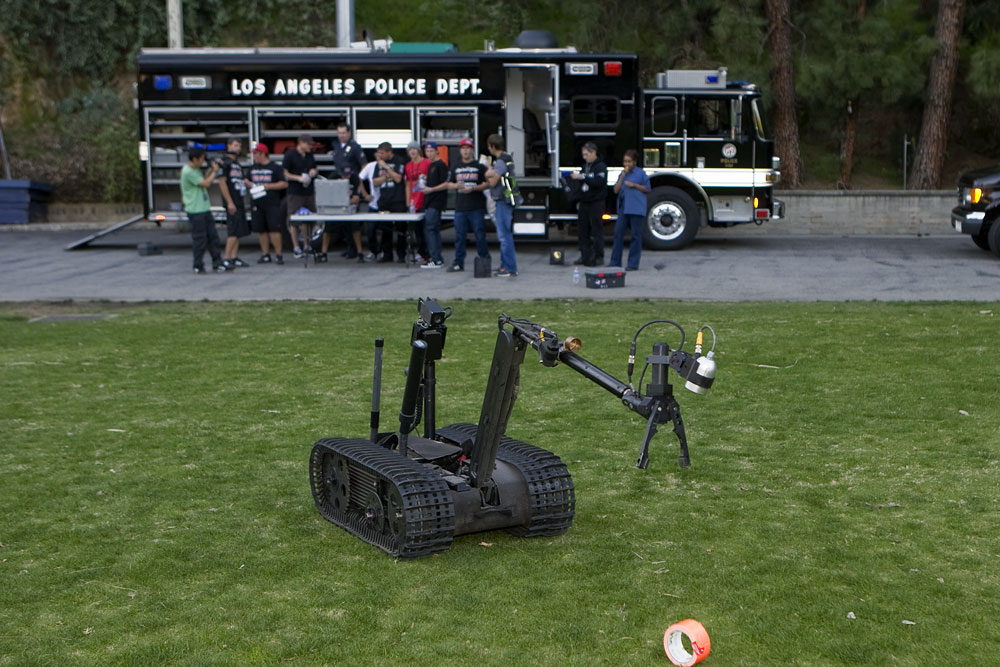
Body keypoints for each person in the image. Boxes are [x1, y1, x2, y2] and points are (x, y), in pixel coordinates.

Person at [446, 137, 490, 272]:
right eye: (463, 149)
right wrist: (456, 185)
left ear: (472, 150)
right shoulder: (456, 166)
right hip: (460, 207)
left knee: (480, 234)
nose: (465, 151)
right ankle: (458, 263)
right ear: (460, 151)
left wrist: (473, 188)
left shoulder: (479, 166)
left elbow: (488, 184)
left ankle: (484, 261)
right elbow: (449, 184)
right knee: (459, 236)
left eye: (468, 149)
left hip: (476, 206)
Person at [180, 147, 225, 274]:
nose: (203, 161)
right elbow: (205, 183)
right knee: (200, 239)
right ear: (194, 159)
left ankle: (217, 262)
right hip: (195, 210)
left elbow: (204, 178)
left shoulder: (195, 169)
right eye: (201, 159)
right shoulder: (188, 171)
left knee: (213, 237)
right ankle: (198, 264)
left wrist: (211, 168)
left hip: (204, 208)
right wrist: (215, 172)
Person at [329, 123, 367, 259]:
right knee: (343, 221)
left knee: (353, 222)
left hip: (352, 187)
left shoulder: (355, 147)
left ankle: (356, 249)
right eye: (339, 133)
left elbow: (363, 165)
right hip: (339, 187)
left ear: (349, 133)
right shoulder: (336, 146)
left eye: (343, 133)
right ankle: (349, 246)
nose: (341, 136)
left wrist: (358, 181)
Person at [485, 134, 520, 277]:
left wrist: (488, 171)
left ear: (493, 147)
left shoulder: (500, 162)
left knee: (504, 236)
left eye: (489, 146)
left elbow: (493, 182)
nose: (488, 149)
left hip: (502, 201)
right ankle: (504, 266)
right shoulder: (507, 157)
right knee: (506, 235)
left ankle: (509, 268)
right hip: (509, 199)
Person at [247, 143, 288, 264]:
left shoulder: (275, 168)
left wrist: (267, 186)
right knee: (261, 230)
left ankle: (279, 255)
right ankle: (265, 254)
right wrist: (250, 184)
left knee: (274, 229)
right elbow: (246, 179)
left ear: (262, 153)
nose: (254, 157)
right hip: (257, 202)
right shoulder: (253, 168)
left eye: (256, 154)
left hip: (272, 203)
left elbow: (284, 184)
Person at [611, 149, 651, 271]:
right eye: (625, 161)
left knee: (635, 236)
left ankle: (633, 264)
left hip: (636, 208)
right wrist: (622, 177)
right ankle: (615, 262)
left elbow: (647, 189)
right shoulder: (622, 174)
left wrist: (634, 185)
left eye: (629, 161)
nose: (626, 164)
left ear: (634, 162)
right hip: (624, 208)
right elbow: (615, 190)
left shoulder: (641, 173)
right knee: (618, 234)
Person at [571, 141, 608, 266]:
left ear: (593, 153)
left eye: (586, 154)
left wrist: (583, 178)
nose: (584, 157)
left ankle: (598, 256)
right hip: (584, 202)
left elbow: (599, 182)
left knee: (596, 229)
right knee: (583, 230)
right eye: (583, 155)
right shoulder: (584, 166)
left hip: (596, 202)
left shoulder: (600, 166)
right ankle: (585, 255)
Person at [217, 137, 250, 269]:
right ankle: (226, 258)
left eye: (239, 146)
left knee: (238, 230)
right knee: (232, 231)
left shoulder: (237, 164)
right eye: (235, 145)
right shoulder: (225, 162)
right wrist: (229, 202)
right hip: (232, 201)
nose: (238, 148)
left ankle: (234, 257)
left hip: (239, 200)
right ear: (229, 146)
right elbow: (222, 182)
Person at [283, 134, 318, 258]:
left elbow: (314, 167)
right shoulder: (290, 155)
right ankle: (296, 247)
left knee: (308, 218)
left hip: (308, 192)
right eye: (309, 144)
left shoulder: (309, 155)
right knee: (294, 219)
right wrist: (298, 178)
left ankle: (307, 245)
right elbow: (285, 173)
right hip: (295, 192)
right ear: (301, 143)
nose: (310, 147)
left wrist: (313, 172)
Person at [371, 142, 407, 263]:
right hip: (384, 200)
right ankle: (387, 254)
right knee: (385, 228)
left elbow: (398, 178)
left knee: (401, 228)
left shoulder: (399, 161)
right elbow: (375, 181)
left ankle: (401, 255)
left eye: (382, 153)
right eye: (378, 153)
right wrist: (386, 176)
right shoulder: (378, 164)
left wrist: (386, 168)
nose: (379, 155)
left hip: (398, 199)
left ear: (389, 152)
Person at [319, 173, 364, 263]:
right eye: (344, 175)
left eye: (348, 175)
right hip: (335, 208)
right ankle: (324, 253)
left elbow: (356, 198)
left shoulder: (354, 179)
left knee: (355, 228)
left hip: (348, 208)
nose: (346, 177)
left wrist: (345, 201)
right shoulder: (333, 178)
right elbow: (327, 195)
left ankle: (360, 253)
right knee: (327, 229)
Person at [419, 142, 450, 269]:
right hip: (429, 202)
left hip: (436, 202)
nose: (429, 153)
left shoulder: (441, 165)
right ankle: (436, 258)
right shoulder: (431, 165)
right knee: (432, 230)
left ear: (437, 151)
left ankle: (436, 259)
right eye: (427, 151)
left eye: (432, 151)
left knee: (431, 229)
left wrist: (431, 189)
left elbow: (446, 183)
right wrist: (425, 178)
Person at [404, 140, 431, 262]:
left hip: (425, 200)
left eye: (414, 149)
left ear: (419, 150)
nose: (412, 151)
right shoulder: (408, 166)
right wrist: (408, 202)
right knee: (417, 230)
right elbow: (408, 184)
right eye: (410, 150)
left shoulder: (427, 163)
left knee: (427, 229)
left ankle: (429, 253)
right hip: (414, 202)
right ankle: (421, 252)